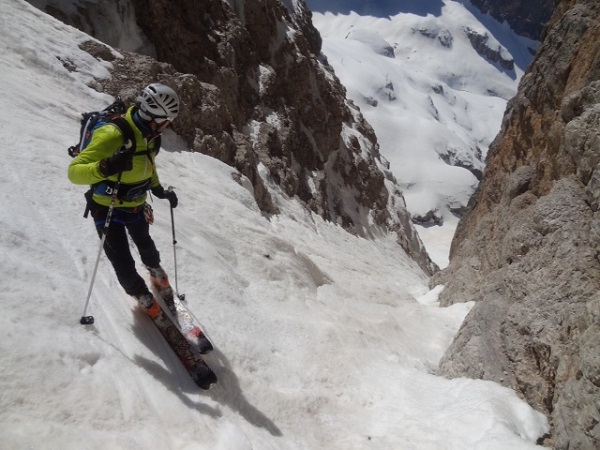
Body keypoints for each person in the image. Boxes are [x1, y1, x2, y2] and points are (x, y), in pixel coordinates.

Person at [68, 83, 180, 318]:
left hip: (136, 204)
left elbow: (148, 165)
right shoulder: (113, 135)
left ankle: (154, 269)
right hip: (106, 207)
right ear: (154, 117)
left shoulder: (151, 136)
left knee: (147, 246)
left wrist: (159, 190)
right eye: (167, 120)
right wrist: (106, 166)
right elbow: (74, 172)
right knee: (123, 263)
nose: (168, 125)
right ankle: (140, 293)